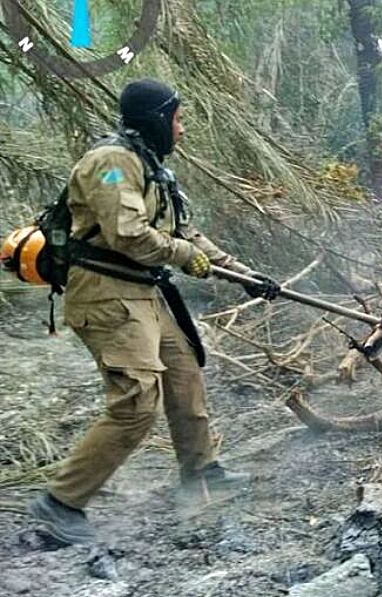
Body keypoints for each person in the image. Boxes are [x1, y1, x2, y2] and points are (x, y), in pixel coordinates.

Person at [26, 79, 281, 545]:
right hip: (107, 296)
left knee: (184, 375)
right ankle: (59, 503)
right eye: (177, 119)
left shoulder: (150, 167)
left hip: (142, 292)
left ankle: (201, 475)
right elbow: (127, 234)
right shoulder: (111, 164)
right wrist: (183, 256)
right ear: (157, 119)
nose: (181, 131)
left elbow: (189, 236)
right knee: (136, 403)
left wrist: (248, 277)